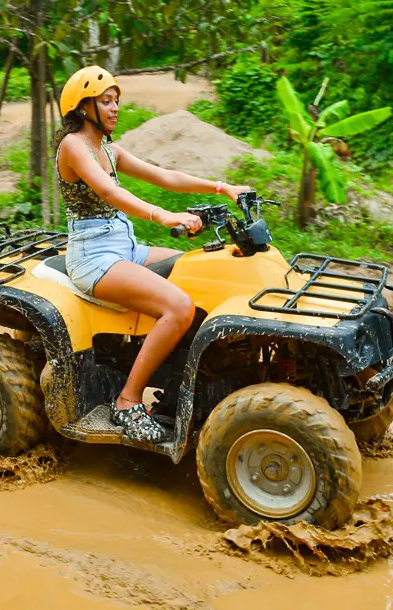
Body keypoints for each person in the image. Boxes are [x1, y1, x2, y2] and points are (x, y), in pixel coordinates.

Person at [56, 66, 251, 443]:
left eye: (116, 102)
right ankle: (127, 402)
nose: (114, 109)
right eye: (106, 101)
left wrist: (224, 188)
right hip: (93, 256)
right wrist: (163, 215)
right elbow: (112, 195)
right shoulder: (74, 147)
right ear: (82, 108)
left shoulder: (108, 149)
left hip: (124, 245)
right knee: (177, 306)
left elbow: (165, 177)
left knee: (195, 270)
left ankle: (184, 382)